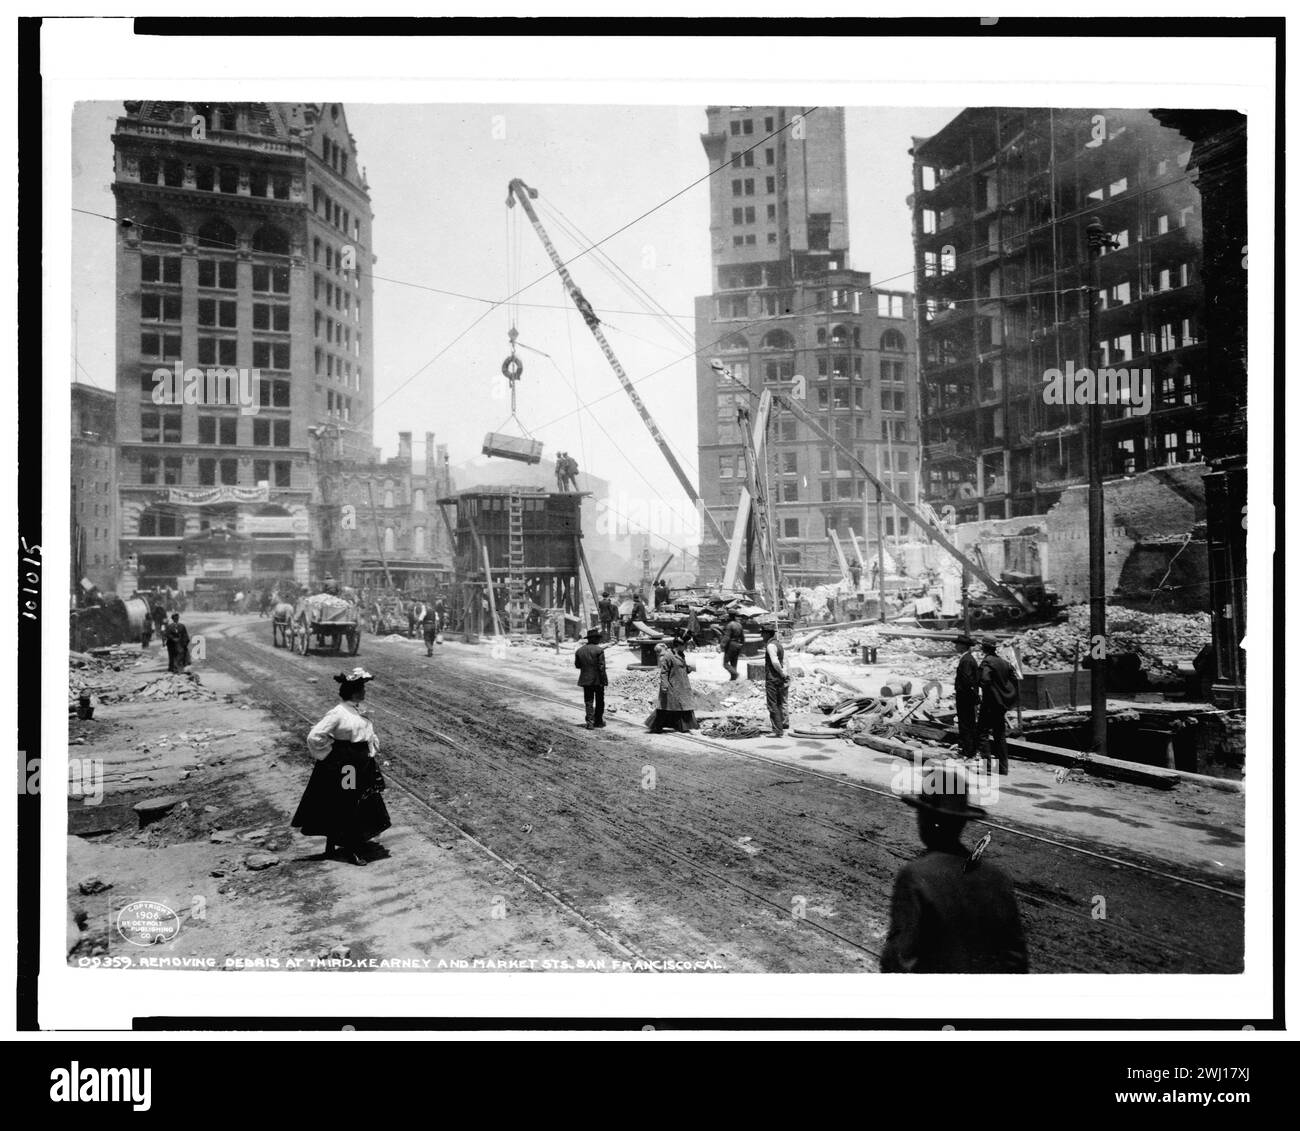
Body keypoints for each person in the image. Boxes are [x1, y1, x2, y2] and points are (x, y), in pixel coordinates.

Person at [881, 762, 1027, 973]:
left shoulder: (916, 876)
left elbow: (900, 958)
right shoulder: (997, 877)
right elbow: (1016, 957)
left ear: (925, 819)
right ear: (962, 822)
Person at [291, 668, 391, 867]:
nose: (364, 691)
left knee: (359, 802)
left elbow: (366, 734)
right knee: (349, 803)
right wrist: (331, 755)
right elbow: (315, 736)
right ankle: (352, 848)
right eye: (362, 688)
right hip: (348, 768)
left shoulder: (355, 710)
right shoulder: (338, 713)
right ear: (353, 691)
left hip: (361, 764)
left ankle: (345, 843)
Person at [977, 637, 1019, 775]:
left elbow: (985, 680)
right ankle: (1003, 767)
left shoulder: (987, 662)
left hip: (989, 704)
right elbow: (1013, 679)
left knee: (982, 733)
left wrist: (987, 692)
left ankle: (987, 767)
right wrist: (1004, 696)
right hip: (1000, 705)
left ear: (984, 648)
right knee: (1000, 735)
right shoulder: (1004, 663)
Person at [647, 634, 698, 733]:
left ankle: (682, 726)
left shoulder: (681, 654)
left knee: (682, 706)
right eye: (685, 645)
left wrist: (689, 668)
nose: (686, 647)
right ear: (678, 645)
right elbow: (664, 672)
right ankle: (657, 726)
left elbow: (681, 668)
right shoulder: (668, 656)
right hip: (672, 685)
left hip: (682, 684)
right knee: (667, 706)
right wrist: (664, 685)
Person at [574, 627, 610, 729]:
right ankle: (598, 721)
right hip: (598, 680)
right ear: (594, 639)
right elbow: (602, 667)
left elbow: (577, 665)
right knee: (600, 700)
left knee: (588, 701)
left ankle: (590, 722)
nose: (599, 640)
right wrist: (604, 680)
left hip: (585, 680)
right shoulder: (599, 650)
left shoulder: (579, 651)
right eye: (597, 638)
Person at [953, 635, 981, 761]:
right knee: (967, 722)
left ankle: (968, 751)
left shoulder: (966, 660)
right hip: (967, 697)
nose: (955, 646)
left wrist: (966, 695)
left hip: (965, 698)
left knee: (966, 723)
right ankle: (968, 749)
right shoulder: (967, 659)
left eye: (957, 644)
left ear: (963, 646)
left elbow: (967, 681)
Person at [761, 619, 789, 738]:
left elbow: (775, 662)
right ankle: (782, 725)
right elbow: (784, 661)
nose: (761, 635)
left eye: (762, 633)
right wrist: (784, 673)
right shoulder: (778, 644)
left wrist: (781, 673)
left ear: (767, 633)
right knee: (779, 703)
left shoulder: (770, 646)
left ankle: (777, 730)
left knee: (772, 704)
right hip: (780, 678)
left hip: (773, 678)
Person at [718, 609, 745, 681]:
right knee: (734, 663)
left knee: (725, 664)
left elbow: (727, 637)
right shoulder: (739, 625)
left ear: (729, 616)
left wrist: (722, 645)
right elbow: (743, 637)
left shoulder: (730, 625)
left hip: (731, 645)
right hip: (738, 645)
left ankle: (735, 674)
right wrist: (741, 645)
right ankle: (733, 680)